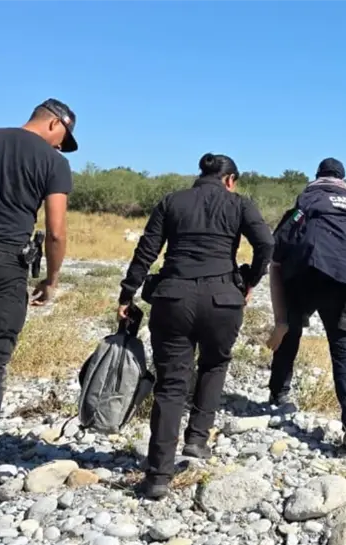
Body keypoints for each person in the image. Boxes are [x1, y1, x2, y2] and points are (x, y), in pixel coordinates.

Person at [117, 152, 274, 499]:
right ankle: (197, 440)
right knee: (214, 364)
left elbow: (146, 250)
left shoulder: (171, 201)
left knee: (171, 384)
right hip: (223, 300)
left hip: (173, 298)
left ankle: (158, 475)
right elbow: (266, 244)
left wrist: (127, 294)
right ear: (230, 180)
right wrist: (250, 280)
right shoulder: (240, 204)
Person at [0, 98, 77, 493]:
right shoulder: (52, 162)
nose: (61, 146)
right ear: (55, 124)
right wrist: (51, 279)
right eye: (64, 138)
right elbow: (56, 230)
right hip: (5, 261)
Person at [266, 158, 346, 455]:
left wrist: (281, 320)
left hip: (305, 275)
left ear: (317, 177)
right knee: (343, 350)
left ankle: (278, 395)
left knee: (291, 333)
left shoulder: (304, 206)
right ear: (344, 182)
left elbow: (276, 263)